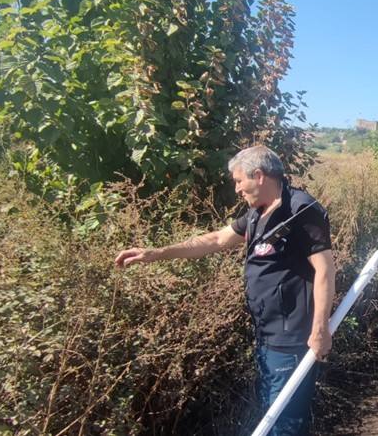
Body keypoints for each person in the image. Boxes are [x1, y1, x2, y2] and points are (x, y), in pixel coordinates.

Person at [114, 145, 334, 435]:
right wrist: (156, 253)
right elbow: (217, 239)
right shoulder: (257, 213)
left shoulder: (300, 211)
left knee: (285, 422)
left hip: (291, 339)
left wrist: (320, 330)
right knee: (272, 413)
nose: (237, 189)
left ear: (259, 176)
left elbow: (325, 270)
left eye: (239, 181)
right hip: (265, 334)